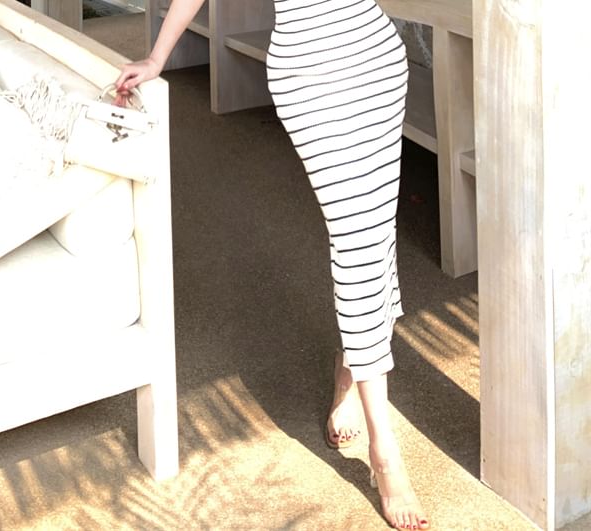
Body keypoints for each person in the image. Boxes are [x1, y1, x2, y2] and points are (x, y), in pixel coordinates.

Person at [115, 1, 429, 529]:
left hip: (374, 56)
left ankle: (351, 364)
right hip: (308, 73)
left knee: (374, 228)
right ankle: (385, 452)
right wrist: (157, 56)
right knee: (354, 236)